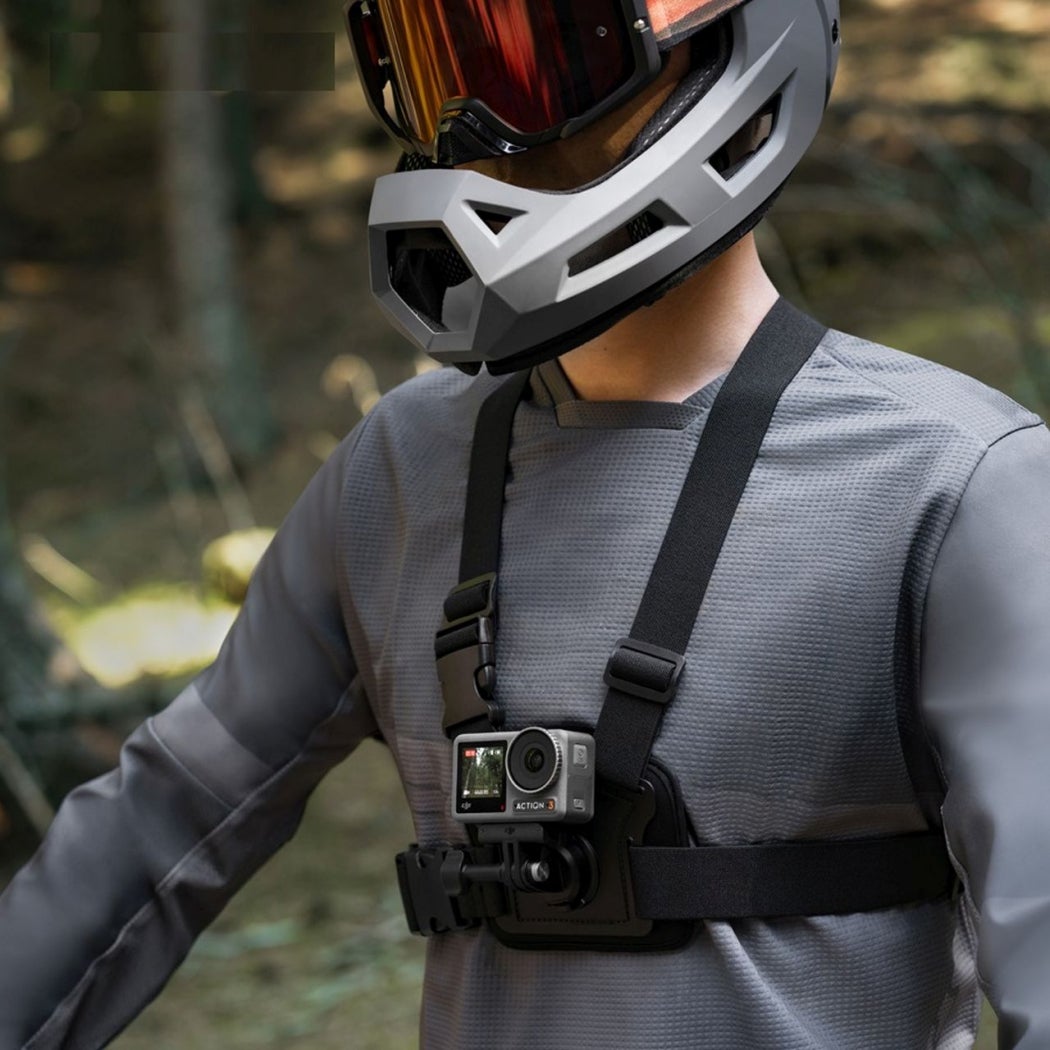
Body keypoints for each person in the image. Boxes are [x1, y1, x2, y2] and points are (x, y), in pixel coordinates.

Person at [2, 0, 1049, 1046]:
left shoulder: (958, 484)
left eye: (532, 60)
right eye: (434, 67)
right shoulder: (398, 472)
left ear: (720, 46)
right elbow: (156, 822)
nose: (473, 136)